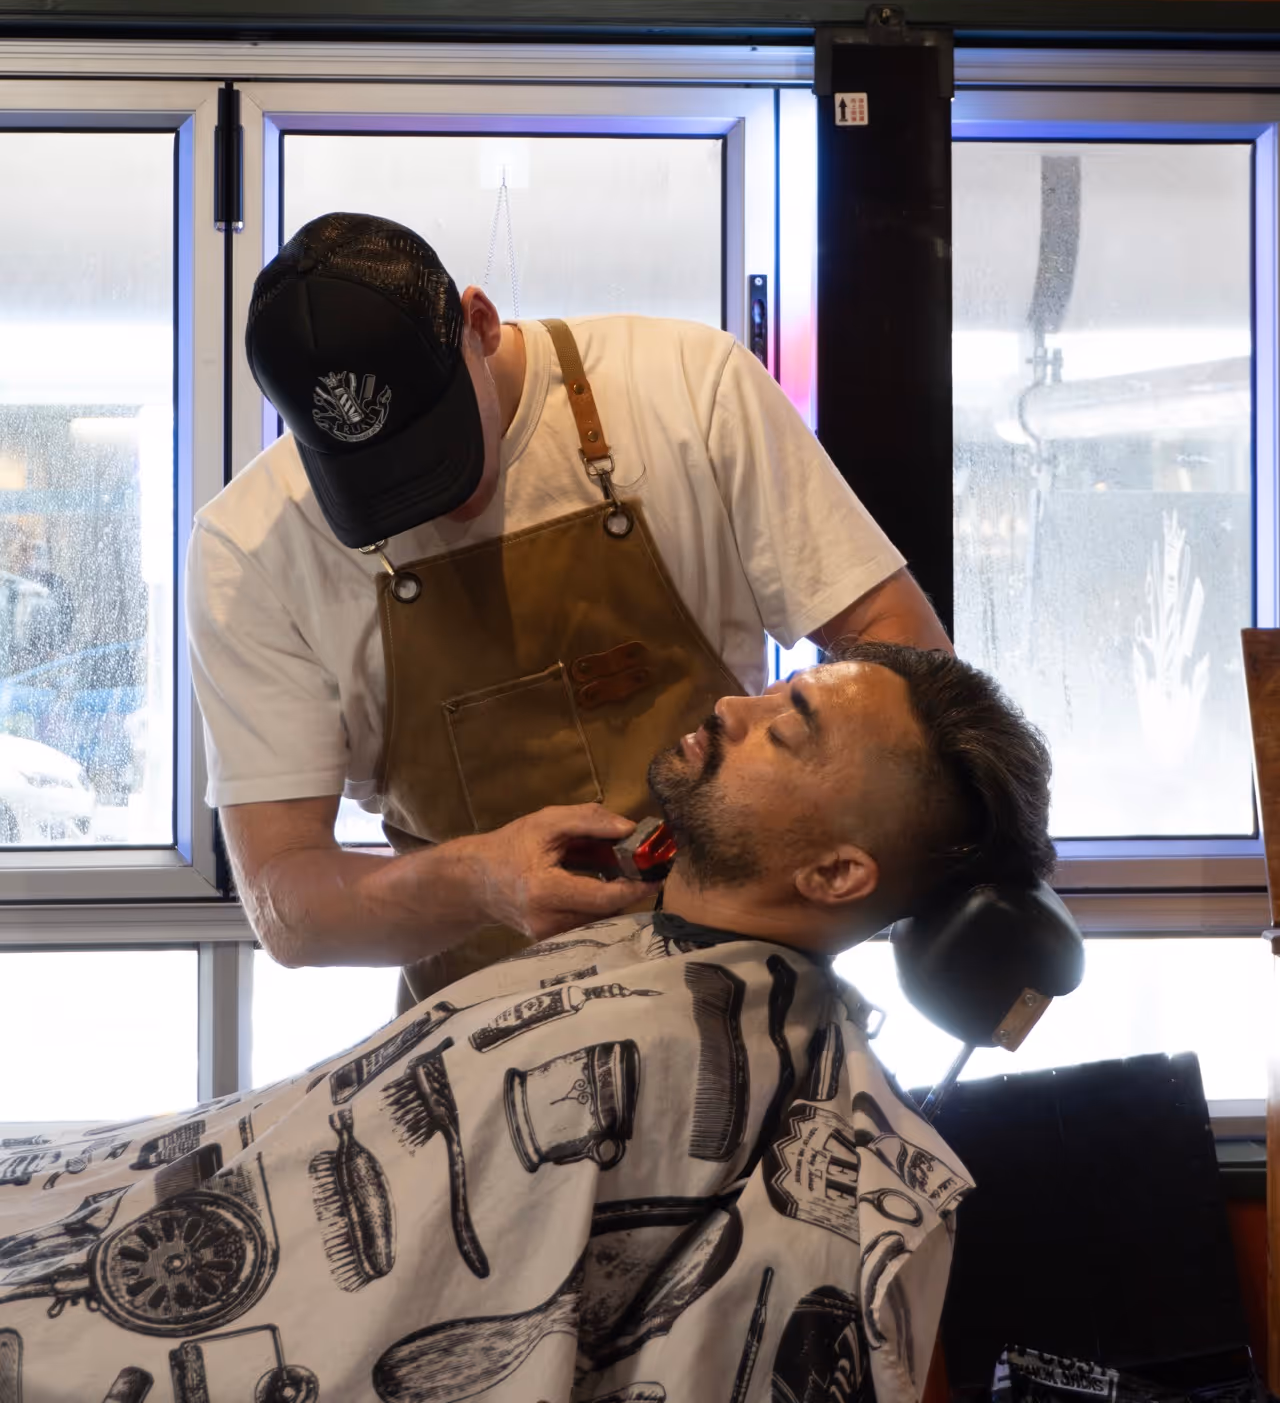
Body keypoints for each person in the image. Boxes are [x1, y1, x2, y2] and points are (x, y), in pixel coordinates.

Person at [0, 646, 1053, 1403]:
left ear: (833, 872)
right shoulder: (663, 973)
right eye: (775, 689)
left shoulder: (687, 1058)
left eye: (784, 729)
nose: (733, 707)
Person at [186, 212, 951, 1002]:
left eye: (437, 449)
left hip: (739, 992)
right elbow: (291, 905)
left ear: (479, 325)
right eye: (376, 487)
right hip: (477, 1037)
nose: (430, 505)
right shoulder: (250, 551)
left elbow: (904, 660)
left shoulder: (688, 390)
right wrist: (476, 881)